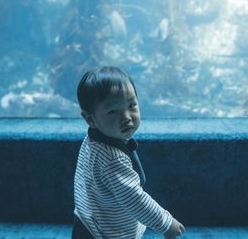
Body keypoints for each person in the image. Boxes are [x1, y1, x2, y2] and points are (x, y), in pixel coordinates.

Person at [72, 66, 185, 239]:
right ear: (90, 119)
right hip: (106, 233)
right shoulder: (112, 159)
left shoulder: (91, 140)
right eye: (113, 111)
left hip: (87, 220)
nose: (126, 117)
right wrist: (166, 223)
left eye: (132, 105)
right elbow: (134, 198)